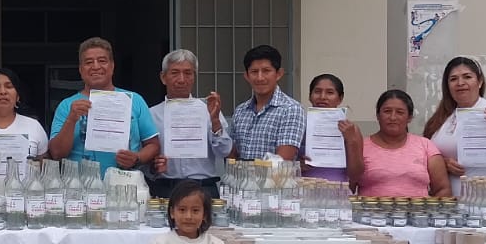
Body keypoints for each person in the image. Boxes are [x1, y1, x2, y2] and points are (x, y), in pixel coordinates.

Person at [48, 37, 161, 173]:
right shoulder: (67, 106)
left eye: (102, 61)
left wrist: (136, 158)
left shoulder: (134, 100)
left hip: (125, 182)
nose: (96, 67)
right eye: (89, 62)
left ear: (112, 66)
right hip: (79, 184)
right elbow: (56, 154)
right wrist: (71, 119)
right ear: (81, 70)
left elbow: (153, 145)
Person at [148, 49, 231, 198]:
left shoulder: (209, 109)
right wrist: (154, 167)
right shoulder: (151, 115)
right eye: (175, 73)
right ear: (163, 77)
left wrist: (215, 121)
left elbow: (224, 152)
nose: (181, 79)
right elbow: (142, 160)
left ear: (194, 77)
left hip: (204, 189)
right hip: (166, 190)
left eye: (188, 73)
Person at [423, 56, 486, 178]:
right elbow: (424, 156)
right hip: (448, 189)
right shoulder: (441, 116)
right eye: (453, 79)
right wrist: (442, 163)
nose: (460, 83)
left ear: (480, 82)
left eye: (467, 77)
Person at [349, 89, 451, 198]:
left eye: (400, 112)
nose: (393, 117)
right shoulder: (361, 147)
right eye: (387, 111)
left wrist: (428, 209)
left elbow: (443, 189)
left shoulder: (426, 146)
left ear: (409, 117)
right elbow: (347, 187)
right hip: (369, 209)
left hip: (418, 209)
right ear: (378, 115)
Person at [231, 45, 305, 161]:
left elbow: (283, 160)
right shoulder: (240, 111)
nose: (260, 78)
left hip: (275, 174)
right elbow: (232, 157)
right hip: (241, 174)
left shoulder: (291, 109)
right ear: (246, 76)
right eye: (254, 72)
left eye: (266, 71)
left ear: (279, 74)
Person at [302, 73, 361, 183]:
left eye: (330, 93)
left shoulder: (351, 129)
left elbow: (356, 175)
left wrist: (351, 141)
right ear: (310, 96)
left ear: (340, 98)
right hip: (305, 188)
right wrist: (297, 165)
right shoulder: (299, 125)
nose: (322, 97)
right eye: (317, 91)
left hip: (337, 189)